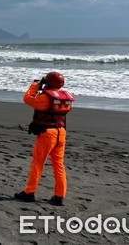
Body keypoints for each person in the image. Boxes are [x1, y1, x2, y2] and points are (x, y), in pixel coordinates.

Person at [15, 71, 75, 206]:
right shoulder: (66, 98)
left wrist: (35, 85)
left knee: (38, 163)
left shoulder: (45, 98)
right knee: (59, 165)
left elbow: (28, 99)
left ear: (48, 82)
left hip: (47, 134)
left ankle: (29, 192)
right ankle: (59, 196)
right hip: (61, 133)